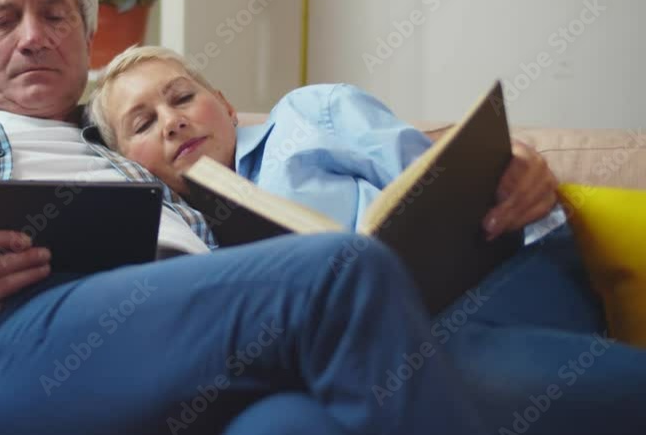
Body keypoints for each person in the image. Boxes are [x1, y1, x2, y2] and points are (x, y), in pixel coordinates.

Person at [0, 0, 492, 435]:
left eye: (54, 14)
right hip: (5, 351)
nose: (32, 36)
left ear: (85, 34)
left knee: (294, 424)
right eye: (2, 19)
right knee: (343, 268)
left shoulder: (132, 140)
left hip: (191, 348)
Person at [88, 45, 646, 435]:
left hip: (494, 274)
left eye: (182, 98)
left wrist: (514, 167)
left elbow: (442, 182)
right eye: (142, 123)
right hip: (372, 358)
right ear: (130, 165)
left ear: (228, 106)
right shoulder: (178, 241)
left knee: (431, 361)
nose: (172, 121)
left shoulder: (306, 117)